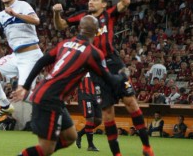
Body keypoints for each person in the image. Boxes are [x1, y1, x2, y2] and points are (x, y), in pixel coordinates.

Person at [52, 0, 153, 156]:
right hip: (96, 69)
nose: (90, 2)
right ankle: (117, 154)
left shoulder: (109, 14)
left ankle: (147, 147)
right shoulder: (83, 18)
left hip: (114, 64)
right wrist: (57, 13)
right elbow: (61, 26)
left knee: (131, 103)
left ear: (104, 4)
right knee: (107, 113)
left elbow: (126, 1)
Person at [12, 15, 127, 156]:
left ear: (79, 28)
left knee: (70, 136)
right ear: (97, 32)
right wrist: (123, 74)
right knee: (46, 148)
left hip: (49, 96)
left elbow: (41, 61)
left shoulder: (65, 43)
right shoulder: (93, 53)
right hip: (50, 99)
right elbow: (111, 80)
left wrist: (26, 86)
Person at [75, 74, 102, 151]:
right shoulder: (81, 66)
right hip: (85, 95)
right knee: (90, 119)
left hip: (96, 96)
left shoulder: (97, 68)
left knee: (98, 120)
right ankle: (90, 145)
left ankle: (79, 134)